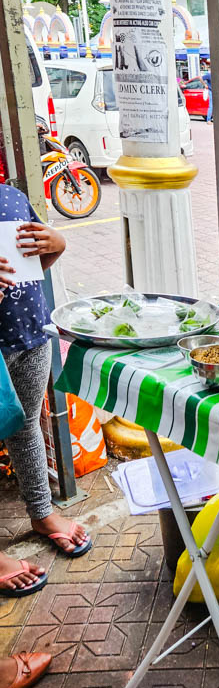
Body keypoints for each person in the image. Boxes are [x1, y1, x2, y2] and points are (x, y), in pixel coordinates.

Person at [0, 184, 91, 599]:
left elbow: (37, 259)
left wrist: (58, 244)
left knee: (27, 427)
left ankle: (42, 513)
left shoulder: (12, 196)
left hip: (31, 335)